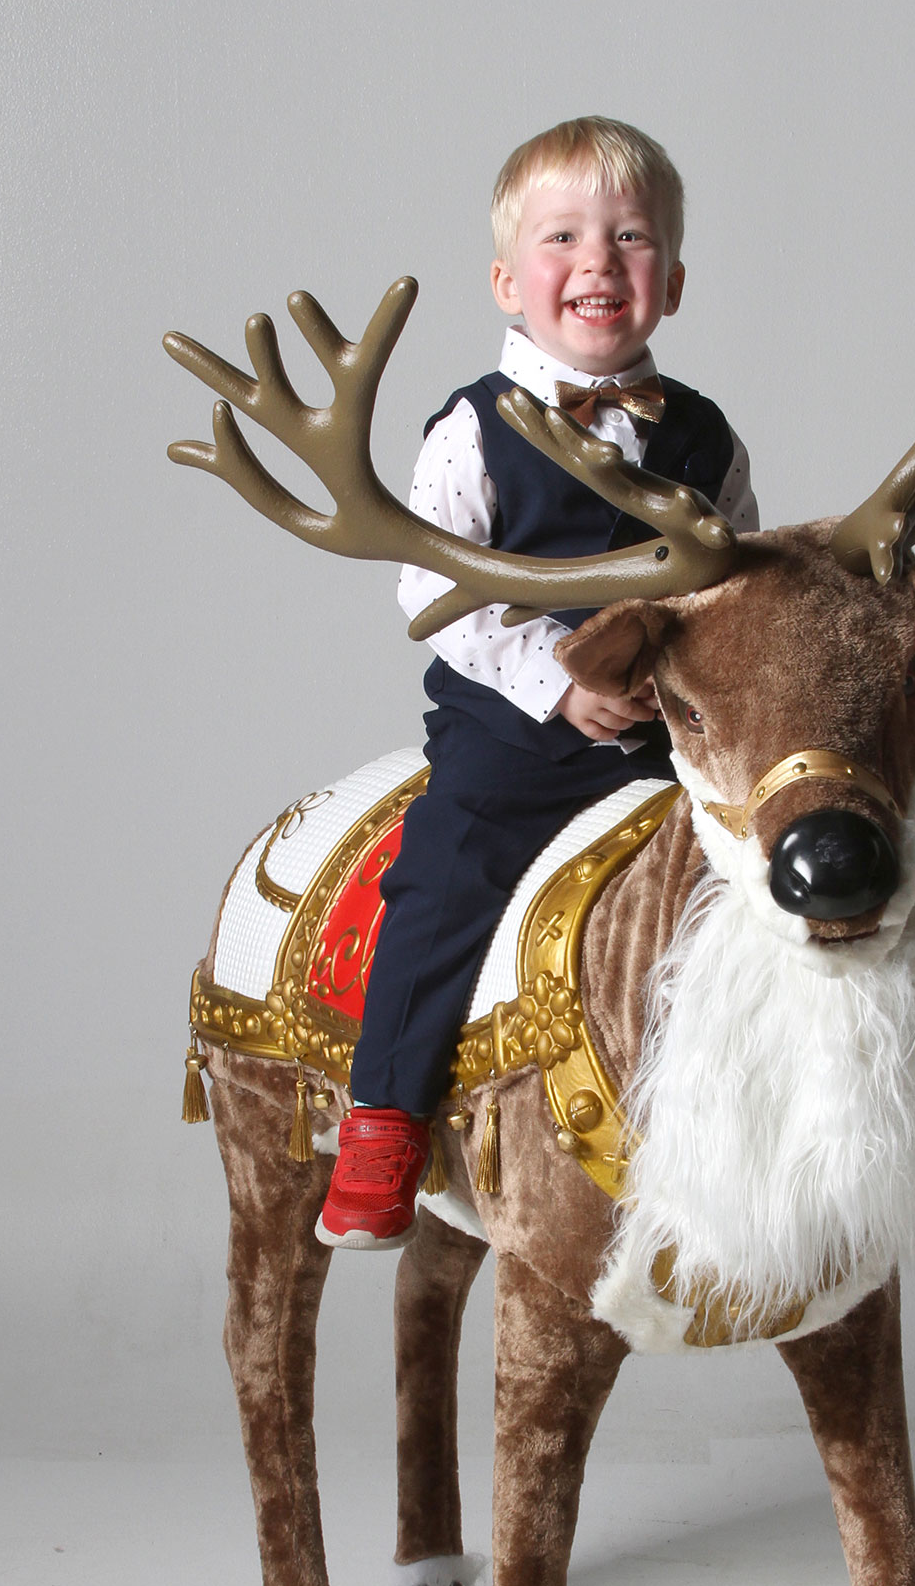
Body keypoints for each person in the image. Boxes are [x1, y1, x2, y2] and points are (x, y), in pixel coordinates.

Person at [317, 116, 758, 1248]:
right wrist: (555, 686)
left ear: (672, 279)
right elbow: (429, 592)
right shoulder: (474, 431)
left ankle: (728, 1132)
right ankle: (383, 1119)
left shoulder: (705, 438)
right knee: (442, 887)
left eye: (631, 237)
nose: (599, 262)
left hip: (665, 732)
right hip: (513, 740)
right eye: (563, 237)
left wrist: (688, 684)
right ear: (511, 282)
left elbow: (733, 588)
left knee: (752, 881)